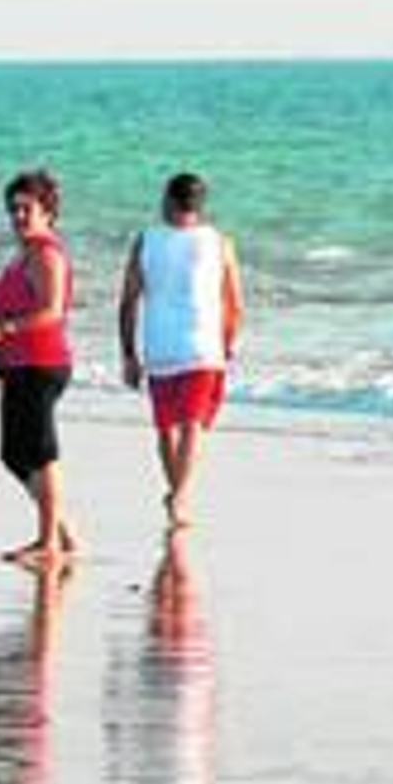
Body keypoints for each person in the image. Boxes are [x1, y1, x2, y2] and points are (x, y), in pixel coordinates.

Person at [0, 169, 79, 573]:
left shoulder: (46, 253)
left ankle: (49, 542)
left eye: (27, 209)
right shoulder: (22, 254)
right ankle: (60, 530)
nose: (19, 216)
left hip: (43, 363)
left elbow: (51, 311)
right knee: (13, 455)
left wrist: (3, 329)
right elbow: (6, 311)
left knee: (40, 453)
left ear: (48, 212)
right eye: (13, 209)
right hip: (16, 365)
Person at [117, 171, 245, 530]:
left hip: (158, 347)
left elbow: (128, 302)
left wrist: (129, 354)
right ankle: (180, 496)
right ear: (200, 206)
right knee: (193, 426)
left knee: (166, 429)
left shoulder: (145, 241)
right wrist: (228, 342)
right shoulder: (219, 242)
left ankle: (177, 495)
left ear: (168, 200)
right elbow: (235, 303)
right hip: (203, 347)